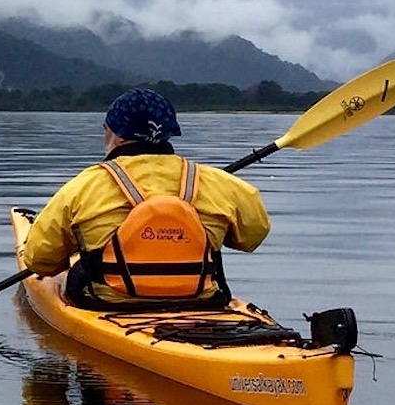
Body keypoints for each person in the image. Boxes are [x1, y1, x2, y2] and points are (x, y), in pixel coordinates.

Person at [21, 88, 270, 302]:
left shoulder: (84, 186)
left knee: (76, 271)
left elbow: (39, 260)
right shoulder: (220, 183)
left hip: (109, 303)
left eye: (105, 128)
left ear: (116, 135)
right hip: (201, 300)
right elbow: (251, 237)